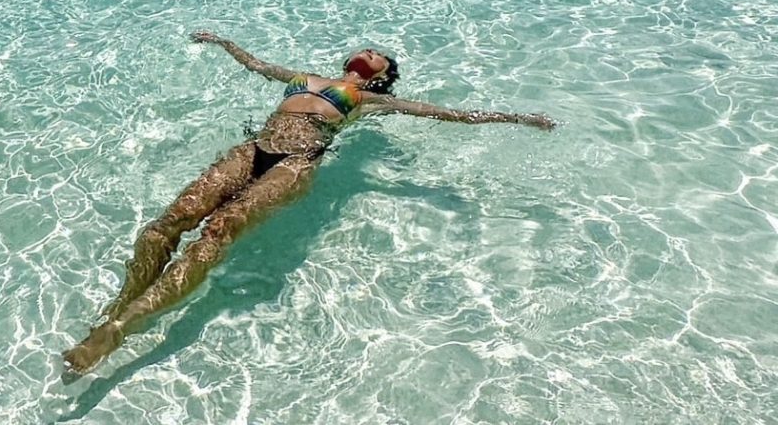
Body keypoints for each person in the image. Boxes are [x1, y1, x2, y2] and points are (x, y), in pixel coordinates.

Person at [62, 32, 555, 372]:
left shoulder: (369, 100)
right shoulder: (302, 76)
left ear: (381, 77)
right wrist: (222, 43)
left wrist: (517, 118)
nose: (371, 50)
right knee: (167, 223)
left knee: (217, 231)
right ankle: (118, 306)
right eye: (368, 47)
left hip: (295, 163)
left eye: (380, 55)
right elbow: (257, 64)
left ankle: (122, 328)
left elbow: (447, 114)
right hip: (252, 150)